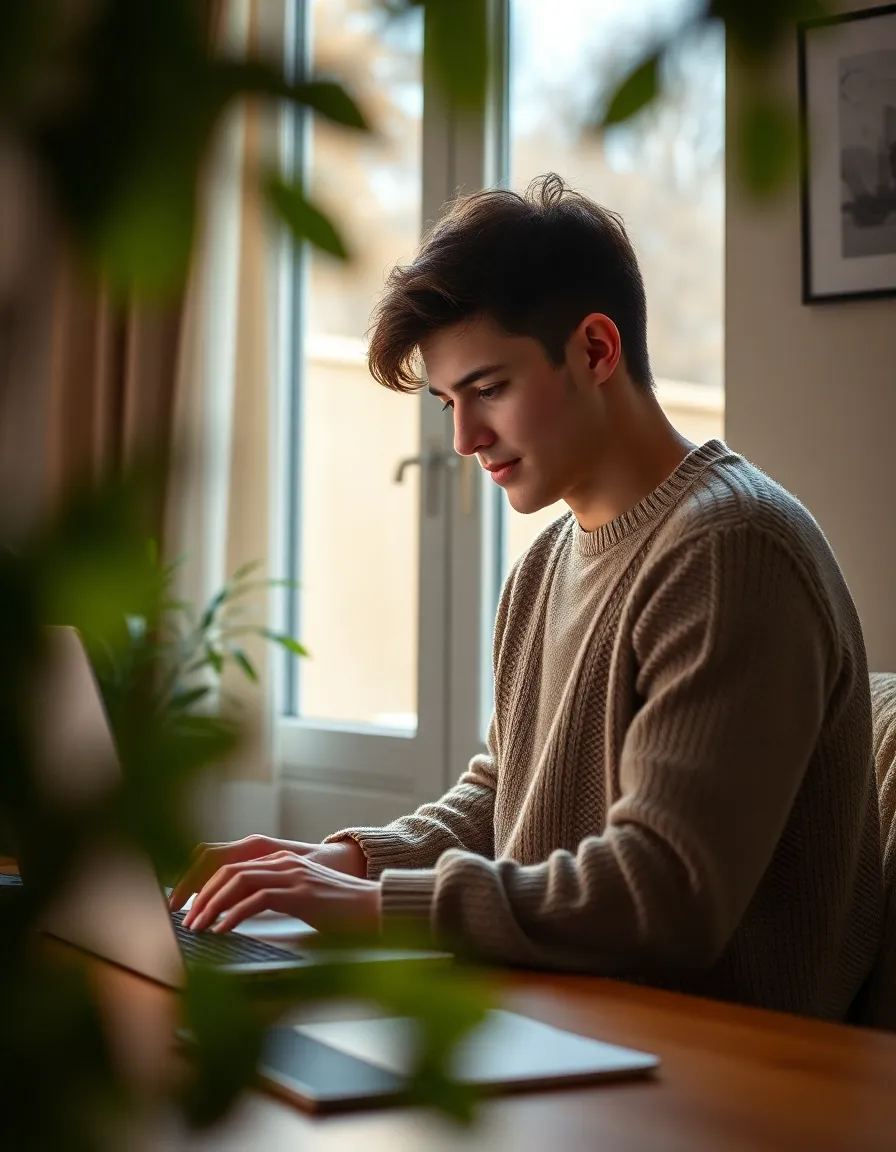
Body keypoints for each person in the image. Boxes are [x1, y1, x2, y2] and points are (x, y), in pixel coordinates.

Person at [170, 174, 883, 1020]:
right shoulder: (547, 562)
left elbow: (666, 894)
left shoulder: (732, 550)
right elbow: (500, 797)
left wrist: (371, 909)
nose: (466, 439)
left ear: (594, 349)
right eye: (448, 403)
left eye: (489, 390)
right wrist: (344, 862)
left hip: (716, 1075)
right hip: (570, 1029)